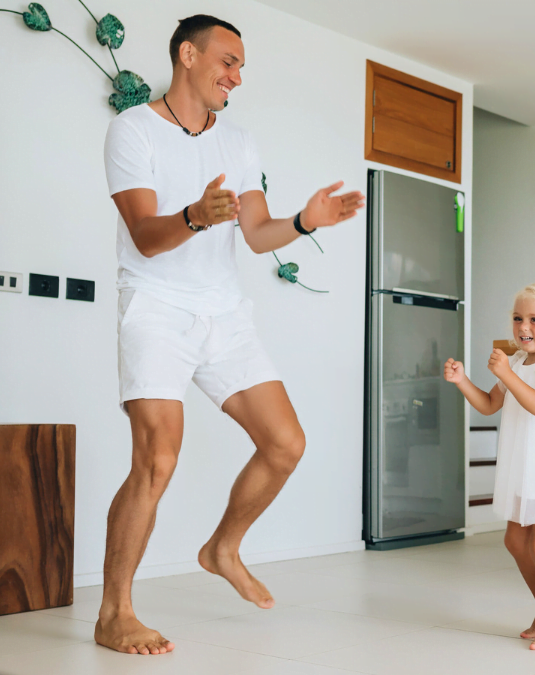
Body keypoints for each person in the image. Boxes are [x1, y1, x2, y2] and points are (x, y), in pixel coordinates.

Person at [98, 14, 363, 655]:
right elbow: (145, 237)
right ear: (187, 55)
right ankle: (114, 614)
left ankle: (222, 547)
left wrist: (304, 221)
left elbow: (255, 232)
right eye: (227, 61)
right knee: (156, 459)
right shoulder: (132, 130)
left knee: (285, 443)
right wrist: (193, 215)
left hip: (224, 313)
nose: (236, 77)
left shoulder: (239, 141)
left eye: (240, 66)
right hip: (156, 307)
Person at [443, 281, 535, 651]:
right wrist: (462, 381)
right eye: (517, 318)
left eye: (534, 320)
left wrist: (506, 375)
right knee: (514, 540)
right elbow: (489, 405)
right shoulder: (514, 363)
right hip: (522, 467)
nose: (523, 327)